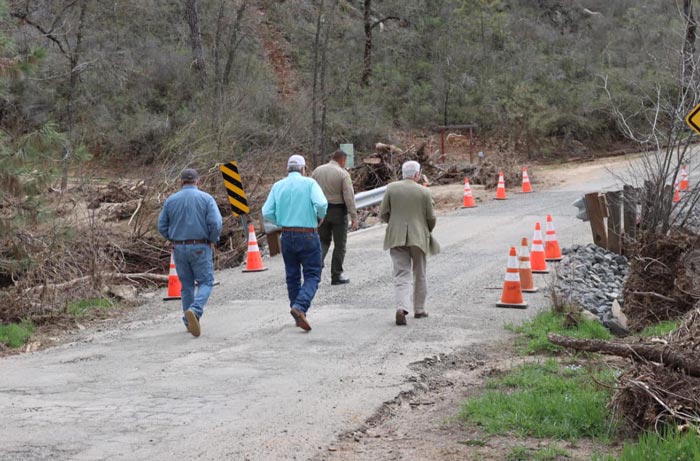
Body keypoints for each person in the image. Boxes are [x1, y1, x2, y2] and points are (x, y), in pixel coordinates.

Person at [262, 154, 328, 331]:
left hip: (287, 234)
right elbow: (321, 203)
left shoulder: (278, 186)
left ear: (287, 169)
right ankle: (300, 307)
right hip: (307, 234)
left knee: (292, 276)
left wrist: (280, 220)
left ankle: (298, 313)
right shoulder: (309, 184)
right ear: (303, 169)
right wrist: (318, 217)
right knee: (313, 274)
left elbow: (266, 211)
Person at [158, 168, 222, 337]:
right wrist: (212, 239)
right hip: (200, 246)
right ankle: (195, 310)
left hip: (178, 247)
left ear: (181, 182)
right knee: (206, 281)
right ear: (197, 181)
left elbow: (161, 226)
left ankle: (188, 322)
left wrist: (172, 239)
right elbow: (215, 223)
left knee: (186, 286)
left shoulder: (171, 201)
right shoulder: (206, 199)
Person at [379, 160, 439, 326]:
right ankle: (419, 309)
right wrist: (426, 229)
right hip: (419, 237)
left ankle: (401, 307)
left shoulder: (391, 188)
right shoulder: (424, 192)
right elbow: (431, 218)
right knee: (419, 272)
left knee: (401, 273)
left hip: (396, 236)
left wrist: (394, 224)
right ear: (416, 174)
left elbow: (383, 213)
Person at [311, 149, 358, 285]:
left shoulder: (317, 171)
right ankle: (336, 275)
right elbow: (349, 197)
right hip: (338, 211)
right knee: (340, 245)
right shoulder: (343, 174)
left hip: (320, 212)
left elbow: (311, 191)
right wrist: (353, 216)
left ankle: (315, 271)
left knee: (323, 241)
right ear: (342, 160)